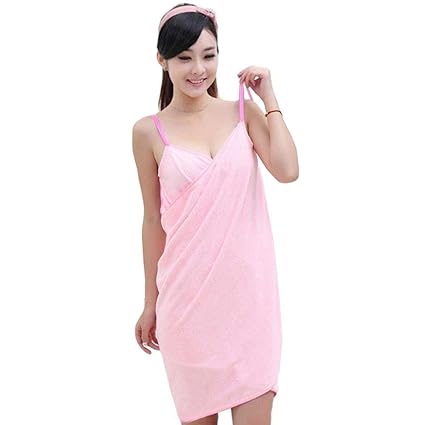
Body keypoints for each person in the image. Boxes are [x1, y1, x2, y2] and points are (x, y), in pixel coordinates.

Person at [132, 3, 299, 424]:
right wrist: (150, 303)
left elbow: (287, 170)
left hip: (250, 303)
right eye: (184, 57)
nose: (198, 69)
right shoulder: (148, 131)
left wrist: (270, 98)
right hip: (186, 306)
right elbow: (152, 221)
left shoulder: (243, 113)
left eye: (208, 55)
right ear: (162, 60)